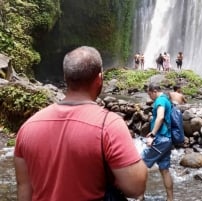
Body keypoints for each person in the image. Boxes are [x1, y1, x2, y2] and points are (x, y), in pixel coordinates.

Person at [14, 46, 147, 201]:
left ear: (66, 77)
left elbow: (24, 190)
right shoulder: (109, 125)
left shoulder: (27, 127)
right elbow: (136, 188)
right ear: (99, 79)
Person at [139, 84, 173, 201]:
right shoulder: (167, 99)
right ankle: (170, 198)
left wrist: (152, 134)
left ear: (154, 91)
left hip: (160, 139)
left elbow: (160, 117)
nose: (150, 97)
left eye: (149, 94)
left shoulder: (160, 100)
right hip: (167, 139)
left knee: (140, 166)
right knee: (164, 170)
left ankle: (140, 197)